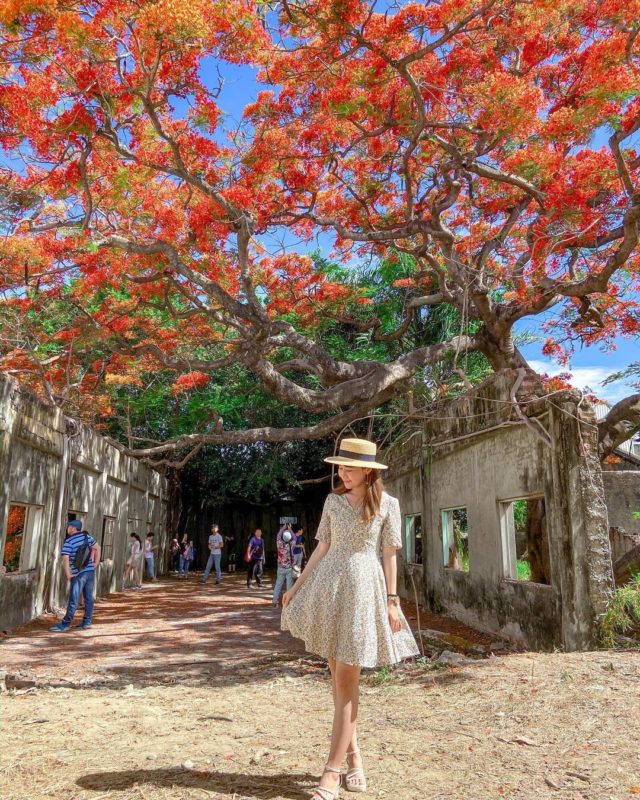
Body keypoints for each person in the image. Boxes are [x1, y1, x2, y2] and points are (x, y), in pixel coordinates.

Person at [281, 438, 419, 799]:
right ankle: (355, 757)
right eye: (340, 466)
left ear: (368, 471)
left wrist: (392, 601)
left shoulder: (389, 505)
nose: (342, 472)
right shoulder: (332, 501)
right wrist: (297, 586)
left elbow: (389, 555)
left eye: (349, 466)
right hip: (330, 585)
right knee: (340, 679)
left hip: (364, 588)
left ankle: (331, 772)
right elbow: (322, 547)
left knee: (346, 676)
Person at [49, 520, 101, 631]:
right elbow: (98, 548)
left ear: (73, 528)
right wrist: (95, 563)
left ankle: (65, 624)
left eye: (69, 527)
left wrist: (68, 575)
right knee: (88, 598)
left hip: (77, 574)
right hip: (90, 572)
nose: (67, 529)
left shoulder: (69, 541)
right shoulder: (87, 537)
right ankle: (87, 622)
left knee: (74, 598)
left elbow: (65, 559)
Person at [272, 523, 295, 606]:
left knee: (278, 584)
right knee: (289, 585)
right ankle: (288, 601)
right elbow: (295, 537)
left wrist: (283, 528)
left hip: (280, 567)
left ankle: (275, 601)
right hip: (289, 568)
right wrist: (290, 529)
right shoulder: (291, 544)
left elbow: (278, 535)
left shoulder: (279, 544)